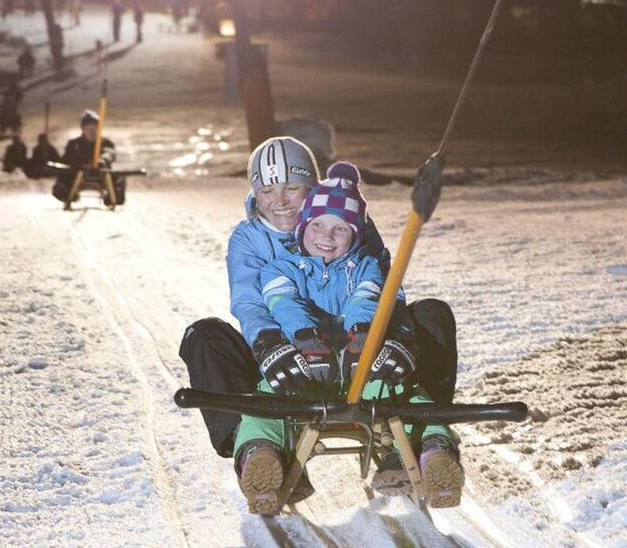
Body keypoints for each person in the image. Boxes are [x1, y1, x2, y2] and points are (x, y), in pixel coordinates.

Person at [177, 138, 458, 488]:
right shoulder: (248, 238)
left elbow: (384, 291)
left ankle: (418, 442)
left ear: (312, 186)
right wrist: (272, 346)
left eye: (292, 188)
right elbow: (252, 303)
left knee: (432, 314)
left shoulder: (350, 223)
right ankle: (260, 453)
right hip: (286, 354)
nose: (279, 201)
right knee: (204, 335)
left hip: (361, 351)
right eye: (266, 191)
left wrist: (396, 339)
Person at [233, 161, 464, 514]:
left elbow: (368, 299)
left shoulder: (366, 267)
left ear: (356, 236)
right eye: (319, 225)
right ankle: (261, 458)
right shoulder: (280, 269)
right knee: (266, 401)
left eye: (341, 228)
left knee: (409, 395)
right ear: (303, 228)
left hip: (362, 367)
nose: (327, 235)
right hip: (307, 368)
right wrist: (304, 337)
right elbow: (283, 303)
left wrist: (364, 337)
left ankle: (436, 453)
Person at [51, 110, 126, 206]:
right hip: (77, 173)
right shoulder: (74, 144)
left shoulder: (105, 143)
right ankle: (68, 195)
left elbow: (110, 153)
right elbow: (67, 159)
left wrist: (102, 160)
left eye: (94, 129)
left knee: (119, 178)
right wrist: (80, 163)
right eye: (88, 129)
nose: (91, 132)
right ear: (83, 129)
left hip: (101, 174)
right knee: (62, 176)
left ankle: (112, 198)